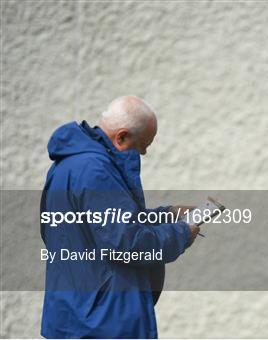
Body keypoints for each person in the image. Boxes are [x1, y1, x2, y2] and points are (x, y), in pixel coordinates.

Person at [40, 95, 199, 338]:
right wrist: (182, 232)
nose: (144, 153)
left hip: (75, 315)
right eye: (143, 144)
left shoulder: (67, 166)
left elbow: (92, 231)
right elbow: (128, 243)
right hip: (104, 322)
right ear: (122, 136)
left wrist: (166, 216)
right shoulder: (96, 171)